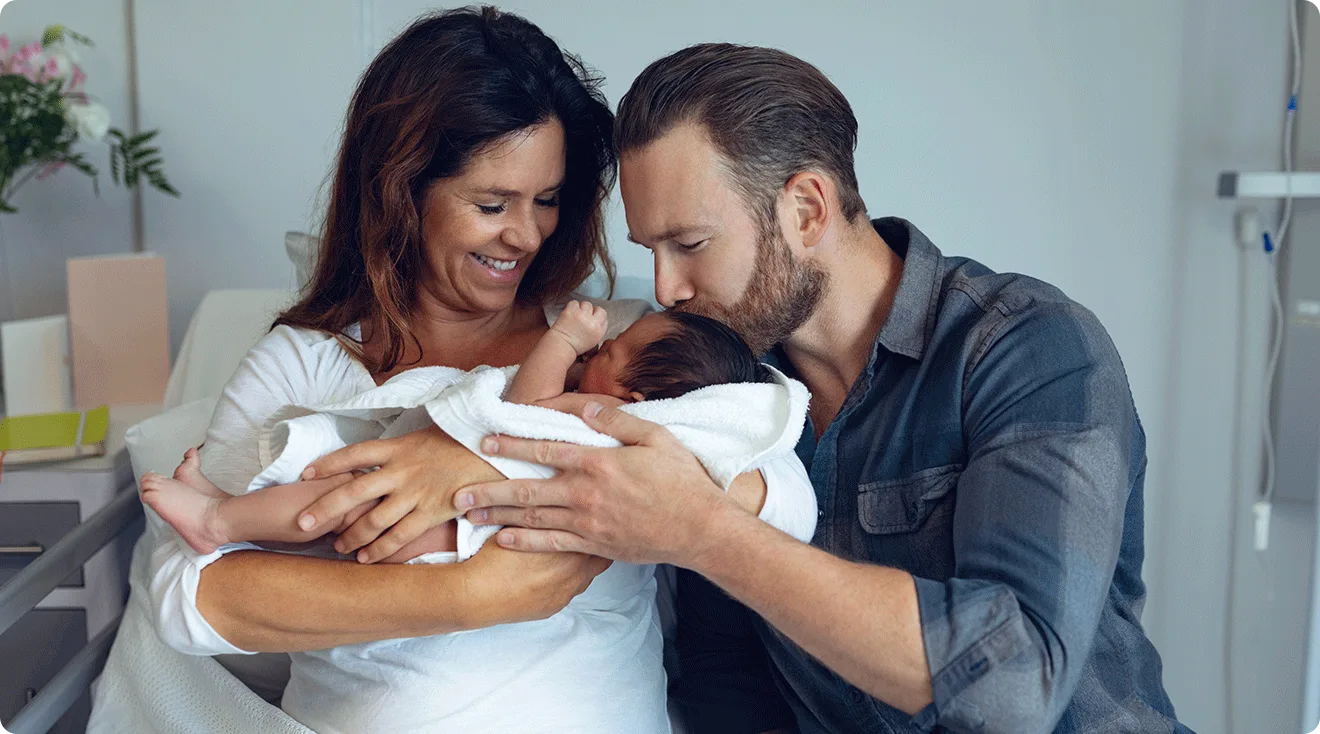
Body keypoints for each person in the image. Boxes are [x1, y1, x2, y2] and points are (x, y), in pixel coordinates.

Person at [304, 44, 1192, 733]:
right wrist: (447, 441)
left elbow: (1015, 687)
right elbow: (724, 683)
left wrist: (703, 531)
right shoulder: (716, 391)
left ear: (806, 209)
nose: (664, 291)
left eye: (689, 245)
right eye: (651, 250)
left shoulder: (1028, 348)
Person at [89, 10, 795, 733]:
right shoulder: (303, 363)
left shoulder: (618, 343)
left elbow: (783, 496)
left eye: (547, 201)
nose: (526, 235)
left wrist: (467, 462)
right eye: (492, 204)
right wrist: (474, 594)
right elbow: (191, 597)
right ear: (402, 193)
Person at [136, 303, 774, 561]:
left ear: (629, 396)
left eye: (616, 349)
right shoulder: (634, 425)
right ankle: (224, 512)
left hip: (470, 527)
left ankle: (218, 523)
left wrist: (564, 339)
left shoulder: (603, 422)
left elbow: (525, 402)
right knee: (336, 505)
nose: (602, 343)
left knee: (334, 503)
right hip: (470, 519)